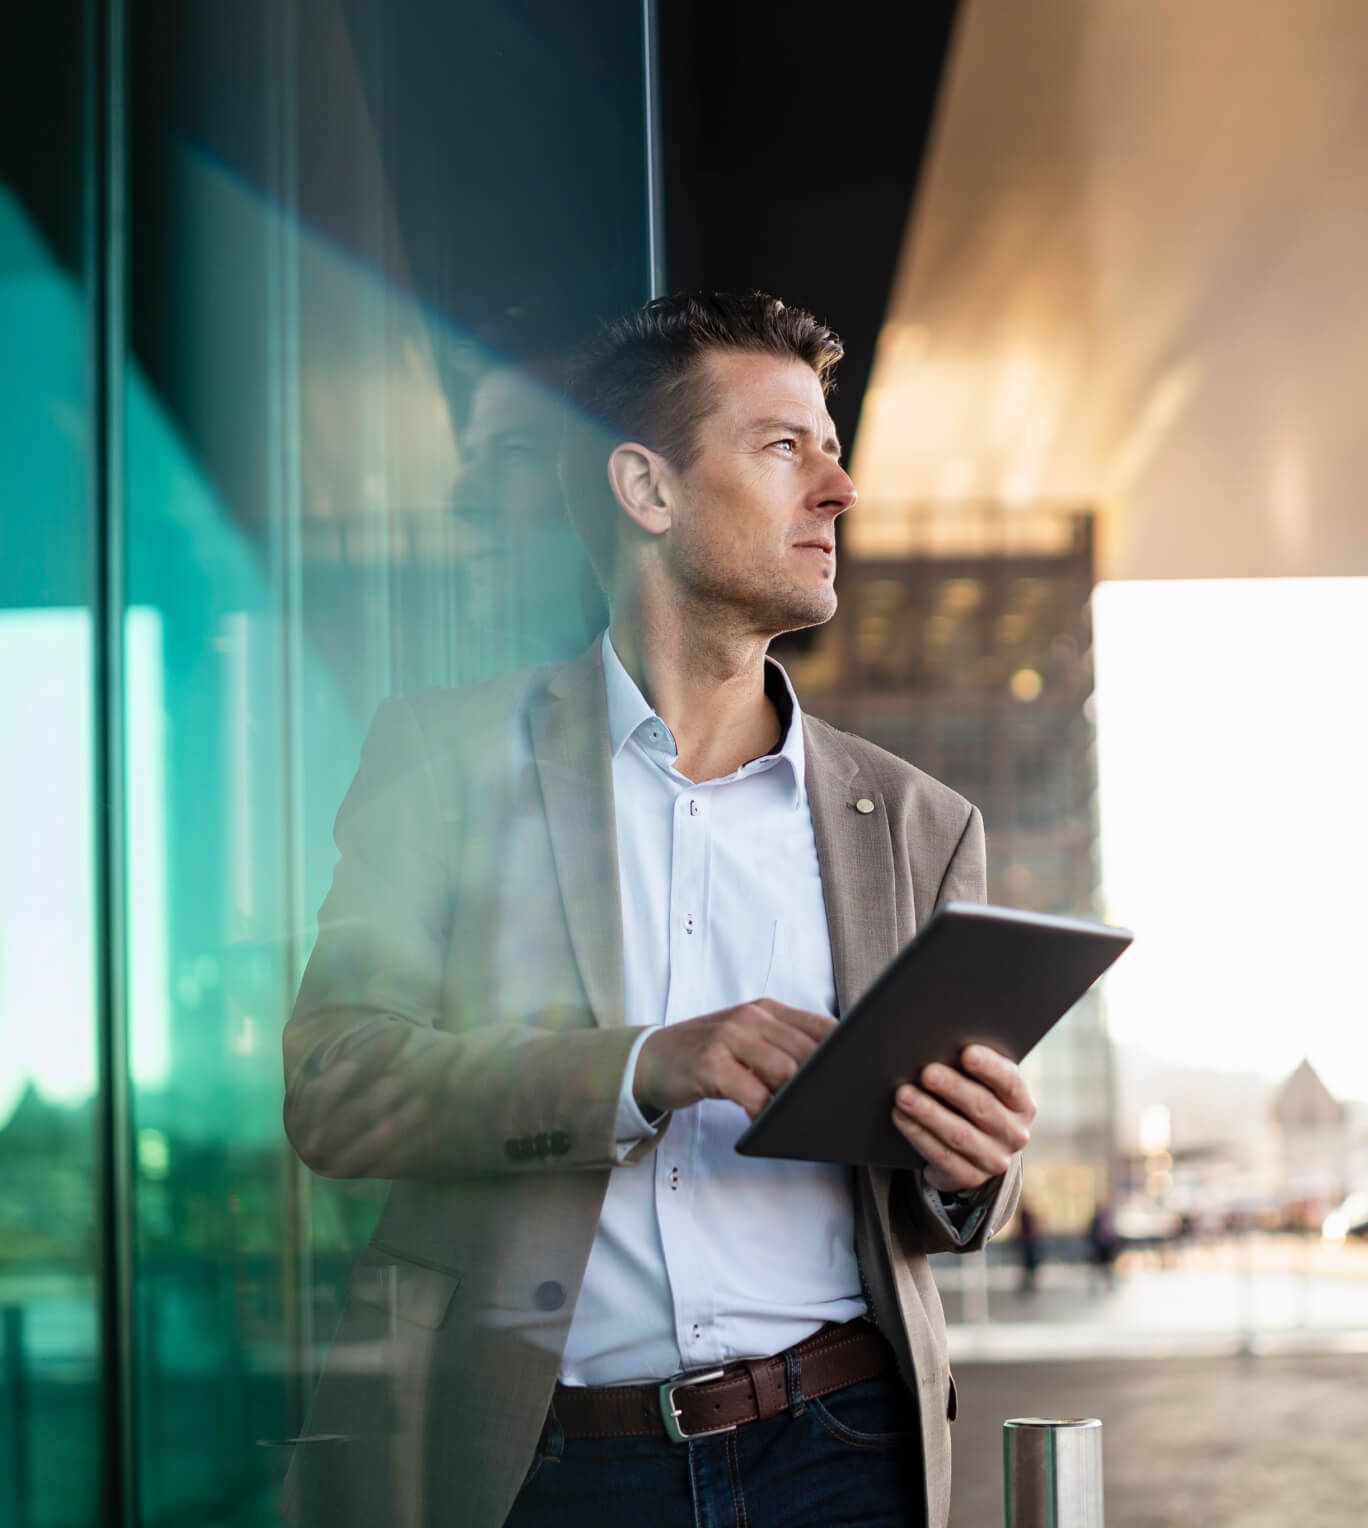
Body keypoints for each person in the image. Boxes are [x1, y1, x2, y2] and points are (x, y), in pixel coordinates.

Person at [280, 292, 1035, 1528]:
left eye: (832, 449)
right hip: (540, 1461)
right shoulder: (440, 762)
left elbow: (956, 1207)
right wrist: (642, 1067)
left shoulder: (918, 824)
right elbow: (336, 1091)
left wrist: (976, 1163)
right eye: (786, 446)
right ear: (648, 489)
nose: (838, 488)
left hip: (842, 1451)